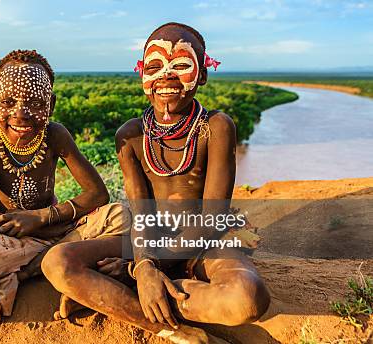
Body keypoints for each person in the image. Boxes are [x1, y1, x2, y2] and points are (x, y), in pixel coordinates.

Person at [41, 22, 270, 343]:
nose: (166, 75)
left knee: (246, 298)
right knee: (58, 262)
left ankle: (122, 297)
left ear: (202, 74)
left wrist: (143, 268)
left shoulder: (216, 127)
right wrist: (145, 263)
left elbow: (212, 218)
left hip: (204, 243)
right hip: (149, 240)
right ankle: (173, 328)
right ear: (142, 75)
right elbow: (141, 212)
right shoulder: (131, 135)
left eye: (180, 65)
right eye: (155, 66)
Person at [0, 49, 131, 323]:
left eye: (35, 103)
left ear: (52, 104)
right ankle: (51, 266)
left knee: (121, 215)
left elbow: (98, 194)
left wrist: (41, 218)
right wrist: (17, 225)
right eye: (8, 102)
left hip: (58, 231)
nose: (20, 113)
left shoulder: (55, 134)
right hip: (9, 237)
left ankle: (20, 275)